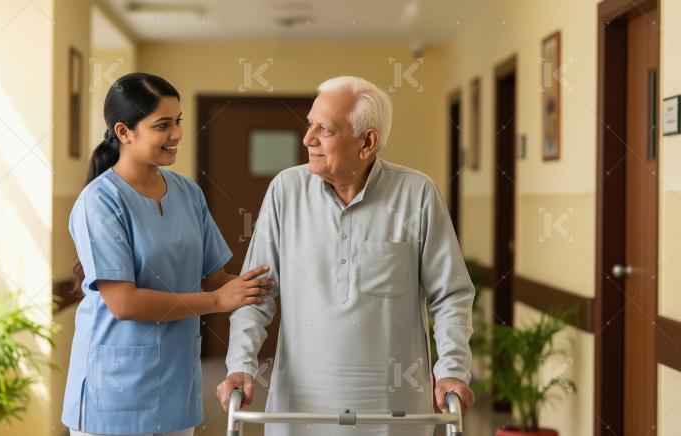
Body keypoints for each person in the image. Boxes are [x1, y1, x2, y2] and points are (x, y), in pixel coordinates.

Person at [216, 76, 475, 436]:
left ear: (367, 142)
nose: (307, 139)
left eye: (325, 129)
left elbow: (450, 295)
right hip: (300, 411)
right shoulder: (285, 191)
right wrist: (240, 364)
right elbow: (255, 295)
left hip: (392, 412)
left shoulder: (417, 195)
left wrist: (451, 369)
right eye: (310, 125)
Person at [62, 72, 273, 436]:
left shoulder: (188, 193)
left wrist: (275, 281)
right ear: (124, 132)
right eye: (162, 125)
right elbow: (124, 303)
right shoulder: (99, 202)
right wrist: (218, 300)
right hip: (113, 392)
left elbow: (217, 278)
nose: (176, 134)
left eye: (178, 122)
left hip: (176, 386)